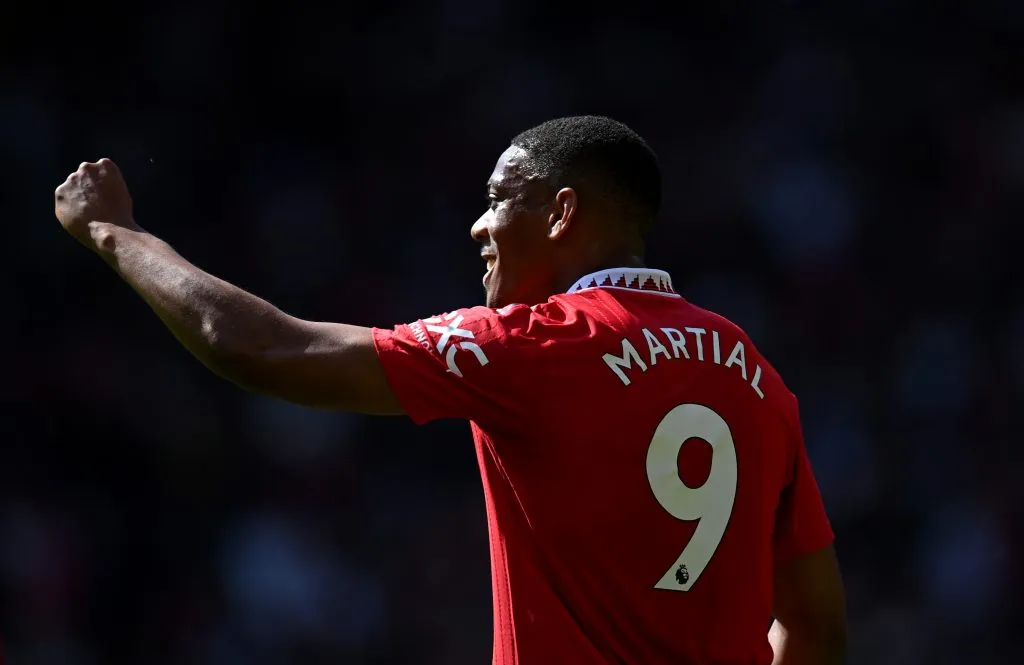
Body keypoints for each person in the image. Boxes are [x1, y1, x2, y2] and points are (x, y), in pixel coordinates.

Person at [54, 116, 846, 664]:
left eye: (502, 197)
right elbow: (813, 626)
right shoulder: (754, 372)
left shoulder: (536, 345)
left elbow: (262, 345)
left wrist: (114, 234)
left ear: (564, 211)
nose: (478, 224)